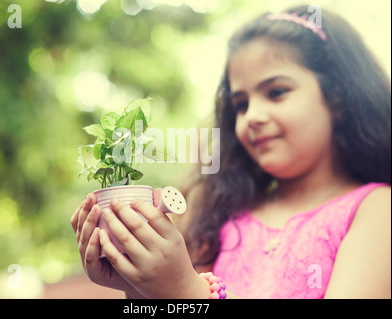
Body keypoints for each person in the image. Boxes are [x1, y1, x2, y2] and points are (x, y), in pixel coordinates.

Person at [71, 5, 391, 299]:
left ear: (337, 98)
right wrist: (140, 286)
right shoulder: (224, 216)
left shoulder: (377, 210)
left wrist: (185, 288)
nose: (252, 116)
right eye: (241, 104)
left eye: (276, 92)